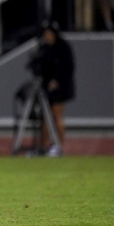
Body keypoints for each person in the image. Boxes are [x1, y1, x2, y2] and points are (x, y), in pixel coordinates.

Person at [31, 21, 75, 157]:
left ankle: (58, 146)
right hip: (47, 89)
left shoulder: (63, 47)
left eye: (48, 33)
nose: (46, 36)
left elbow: (68, 68)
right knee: (45, 117)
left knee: (56, 116)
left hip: (60, 89)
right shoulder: (45, 48)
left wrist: (57, 81)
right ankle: (43, 146)